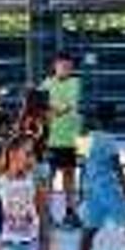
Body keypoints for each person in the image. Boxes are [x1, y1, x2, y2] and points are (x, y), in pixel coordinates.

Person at [74, 103, 125, 250]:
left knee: (88, 232)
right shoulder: (109, 139)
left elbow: (82, 166)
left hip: (92, 191)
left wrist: (81, 191)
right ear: (113, 120)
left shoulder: (84, 137)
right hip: (110, 189)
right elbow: (117, 168)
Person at [42, 52, 82, 228]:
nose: (66, 69)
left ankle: (71, 212)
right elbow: (39, 102)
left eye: (69, 67)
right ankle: (46, 214)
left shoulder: (75, 83)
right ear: (54, 66)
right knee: (48, 177)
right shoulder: (46, 83)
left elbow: (68, 105)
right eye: (62, 66)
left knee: (69, 176)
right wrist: (48, 109)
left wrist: (52, 109)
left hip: (71, 139)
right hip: (50, 139)